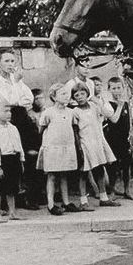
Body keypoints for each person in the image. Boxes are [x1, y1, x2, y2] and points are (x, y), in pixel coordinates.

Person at [0, 49, 41, 210]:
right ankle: (10, 199)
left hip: (22, 117)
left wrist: (17, 85)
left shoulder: (14, 78)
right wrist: (17, 84)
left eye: (13, 61)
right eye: (7, 61)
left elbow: (28, 99)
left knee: (31, 155)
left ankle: (31, 195)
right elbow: (8, 100)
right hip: (9, 119)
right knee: (11, 159)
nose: (11, 64)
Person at [71, 83, 119, 209]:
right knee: (84, 172)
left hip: (97, 141)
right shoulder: (75, 112)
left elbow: (108, 113)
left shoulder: (94, 106)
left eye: (82, 94)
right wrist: (79, 148)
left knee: (100, 169)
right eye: (77, 95)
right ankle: (83, 202)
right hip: (85, 143)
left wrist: (97, 101)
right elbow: (75, 131)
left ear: (87, 94)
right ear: (74, 98)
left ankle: (104, 198)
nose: (80, 97)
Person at [37, 83, 78, 215]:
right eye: (63, 94)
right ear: (54, 97)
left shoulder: (71, 112)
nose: (67, 96)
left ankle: (66, 202)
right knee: (52, 175)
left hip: (66, 146)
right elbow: (42, 129)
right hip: (53, 147)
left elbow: (73, 128)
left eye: (67, 93)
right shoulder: (48, 112)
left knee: (64, 175)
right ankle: (51, 203)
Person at [0, 100, 24, 223]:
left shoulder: (13, 128)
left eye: (9, 111)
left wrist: (21, 159)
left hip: (14, 159)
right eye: (5, 111)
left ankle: (12, 212)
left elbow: (19, 144)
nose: (9, 114)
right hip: (3, 161)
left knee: (12, 188)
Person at [104, 77, 133, 200]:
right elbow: (114, 120)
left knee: (127, 166)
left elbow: (130, 121)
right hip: (113, 139)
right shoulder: (107, 104)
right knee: (113, 167)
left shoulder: (126, 104)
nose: (117, 91)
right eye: (114, 88)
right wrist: (120, 106)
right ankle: (112, 191)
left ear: (123, 88)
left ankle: (127, 190)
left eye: (119, 88)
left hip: (125, 139)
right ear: (109, 89)